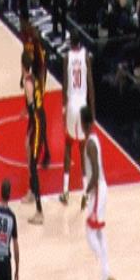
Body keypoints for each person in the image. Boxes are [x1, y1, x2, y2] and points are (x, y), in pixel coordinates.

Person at [59, 28, 95, 205]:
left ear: (70, 42)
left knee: (68, 146)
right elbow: (90, 85)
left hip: (72, 104)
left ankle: (65, 191)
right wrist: (92, 113)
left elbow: (65, 85)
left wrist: (63, 108)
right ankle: (85, 192)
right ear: (79, 42)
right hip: (83, 104)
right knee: (82, 149)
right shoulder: (86, 56)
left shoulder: (66, 58)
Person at [80, 106, 109, 280]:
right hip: (100, 189)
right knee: (98, 232)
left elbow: (96, 173)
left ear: (84, 123)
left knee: (90, 231)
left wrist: (85, 194)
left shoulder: (90, 144)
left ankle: (105, 272)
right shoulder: (94, 138)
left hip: (97, 189)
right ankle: (105, 275)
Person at [20, 14, 50, 167]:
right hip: (33, 76)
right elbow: (26, 59)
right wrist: (23, 77)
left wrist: (40, 86)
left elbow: (42, 67)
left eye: (23, 25)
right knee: (35, 112)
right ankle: (39, 142)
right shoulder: (26, 39)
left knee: (38, 114)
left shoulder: (37, 43)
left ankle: (46, 152)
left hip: (39, 77)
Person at [20, 51, 44, 225]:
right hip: (36, 120)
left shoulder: (27, 82)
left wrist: (27, 116)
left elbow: (32, 109)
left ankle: (39, 211)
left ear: (22, 65)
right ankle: (31, 189)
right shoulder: (33, 78)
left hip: (37, 123)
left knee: (33, 164)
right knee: (27, 148)